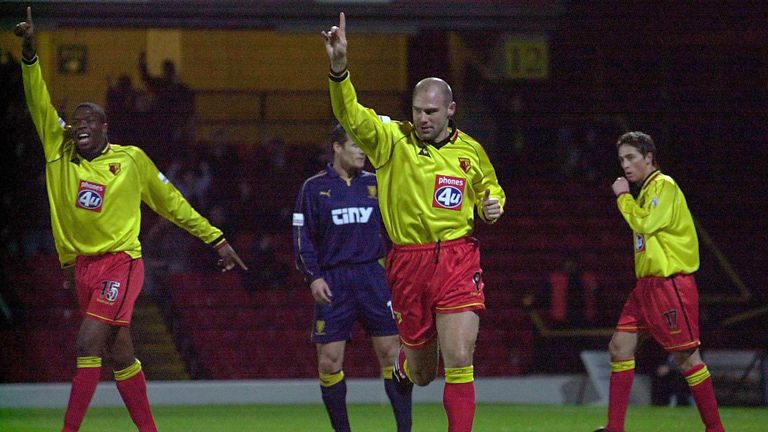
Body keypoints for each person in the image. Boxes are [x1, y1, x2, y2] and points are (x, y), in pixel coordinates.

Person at [15, 8, 247, 432]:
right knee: (120, 353)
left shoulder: (131, 159)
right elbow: (38, 102)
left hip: (121, 262)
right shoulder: (58, 150)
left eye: (89, 121)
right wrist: (30, 54)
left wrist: (215, 239)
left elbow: (172, 203)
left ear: (105, 127)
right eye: (75, 121)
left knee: (88, 339)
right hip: (82, 267)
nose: (79, 126)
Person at [322, 13, 505, 431]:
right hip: (408, 263)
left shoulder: (471, 151)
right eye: (417, 110)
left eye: (431, 111)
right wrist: (338, 69)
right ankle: (407, 364)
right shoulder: (391, 141)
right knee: (423, 372)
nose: (422, 118)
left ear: (450, 110)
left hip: (458, 258)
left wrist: (492, 204)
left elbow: (489, 189)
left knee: (460, 357)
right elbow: (350, 114)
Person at [594, 132, 724, 432]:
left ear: (649, 158)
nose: (625, 165)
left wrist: (623, 196)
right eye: (622, 159)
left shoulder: (663, 186)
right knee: (619, 347)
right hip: (646, 288)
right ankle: (614, 428)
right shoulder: (648, 192)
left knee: (687, 357)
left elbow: (645, 224)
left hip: (670, 284)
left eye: (631, 158)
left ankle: (715, 428)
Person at [293, 124, 412, 432]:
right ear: (337, 147)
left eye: (365, 147)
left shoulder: (377, 183)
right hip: (333, 280)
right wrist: (313, 277)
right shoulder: (314, 188)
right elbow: (302, 236)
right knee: (329, 361)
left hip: (374, 276)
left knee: (391, 355)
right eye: (356, 145)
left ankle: (405, 429)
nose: (363, 151)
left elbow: (398, 230)